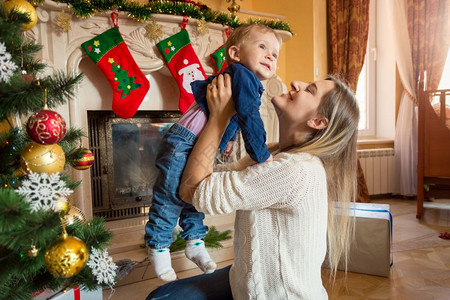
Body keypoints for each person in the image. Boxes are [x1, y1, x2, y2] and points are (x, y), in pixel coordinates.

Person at [146, 73, 360, 299]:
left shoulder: (296, 170)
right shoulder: (274, 154)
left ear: (317, 121)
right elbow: (209, 177)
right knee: (163, 296)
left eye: (310, 90)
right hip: (244, 280)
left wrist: (218, 117)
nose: (296, 82)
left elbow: (193, 191)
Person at [144, 24, 281, 282]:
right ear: (235, 53)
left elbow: (234, 116)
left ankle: (195, 242)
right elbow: (251, 118)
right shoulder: (244, 77)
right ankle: (158, 245)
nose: (270, 56)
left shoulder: (242, 78)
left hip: (195, 141)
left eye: (274, 54)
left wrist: (227, 141)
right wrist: (262, 155)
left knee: (194, 193)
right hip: (183, 141)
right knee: (171, 195)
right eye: (262, 47)